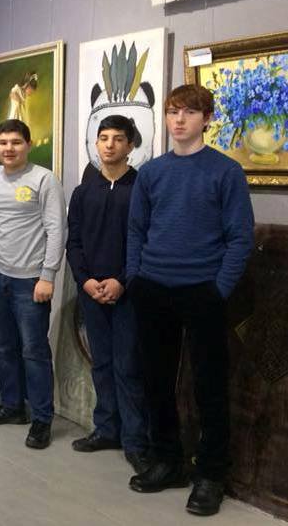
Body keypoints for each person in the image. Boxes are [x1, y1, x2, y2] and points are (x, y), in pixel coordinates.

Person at [126, 84, 254, 517]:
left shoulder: (226, 172)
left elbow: (240, 238)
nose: (178, 120)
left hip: (202, 290)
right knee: (156, 382)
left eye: (189, 112)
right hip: (152, 288)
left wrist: (218, 289)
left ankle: (211, 474)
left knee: (209, 386)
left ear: (207, 119)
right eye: (172, 111)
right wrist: (135, 277)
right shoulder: (151, 172)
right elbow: (136, 230)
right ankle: (167, 461)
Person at [0, 119, 66, 450]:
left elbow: (56, 230)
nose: (9, 148)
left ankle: (42, 418)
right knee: (4, 347)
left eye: (15, 142)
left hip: (30, 280)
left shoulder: (44, 179)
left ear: (28, 145)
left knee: (34, 351)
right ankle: (12, 405)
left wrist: (47, 275)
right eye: (3, 143)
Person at [66, 115, 150, 473]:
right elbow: (74, 242)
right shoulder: (84, 192)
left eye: (118, 138)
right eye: (104, 138)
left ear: (130, 145)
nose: (110, 144)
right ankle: (107, 429)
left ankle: (135, 440)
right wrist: (85, 281)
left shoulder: (142, 188)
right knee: (100, 362)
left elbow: (145, 242)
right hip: (91, 291)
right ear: (96, 143)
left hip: (129, 292)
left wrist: (121, 281)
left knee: (128, 365)